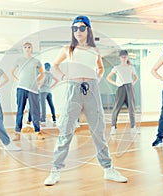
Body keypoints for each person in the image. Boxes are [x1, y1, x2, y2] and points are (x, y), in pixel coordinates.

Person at [44, 15, 127, 186]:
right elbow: (54, 66)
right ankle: (55, 171)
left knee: (98, 130)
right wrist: (64, 77)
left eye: (81, 28)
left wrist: (95, 79)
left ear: (88, 30)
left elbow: (101, 68)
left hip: (92, 89)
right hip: (73, 89)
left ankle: (108, 169)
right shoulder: (68, 49)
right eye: (75, 28)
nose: (78, 31)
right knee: (66, 130)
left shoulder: (94, 50)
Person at [11, 42, 45, 140]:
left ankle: (37, 131)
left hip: (33, 89)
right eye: (25, 47)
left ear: (32, 49)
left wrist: (37, 81)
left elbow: (42, 73)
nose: (27, 48)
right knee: (20, 110)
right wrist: (18, 80)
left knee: (35, 111)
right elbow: (11, 72)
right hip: (21, 88)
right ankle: (17, 132)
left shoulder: (36, 61)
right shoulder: (19, 60)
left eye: (29, 47)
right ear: (23, 49)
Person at [106, 50, 138, 135]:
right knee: (116, 108)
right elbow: (108, 77)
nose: (124, 58)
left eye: (125, 56)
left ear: (127, 57)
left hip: (130, 87)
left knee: (131, 108)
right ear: (120, 58)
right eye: (122, 57)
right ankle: (113, 127)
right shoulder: (116, 68)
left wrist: (132, 84)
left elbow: (136, 77)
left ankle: (133, 127)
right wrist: (116, 83)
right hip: (121, 88)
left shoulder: (131, 67)